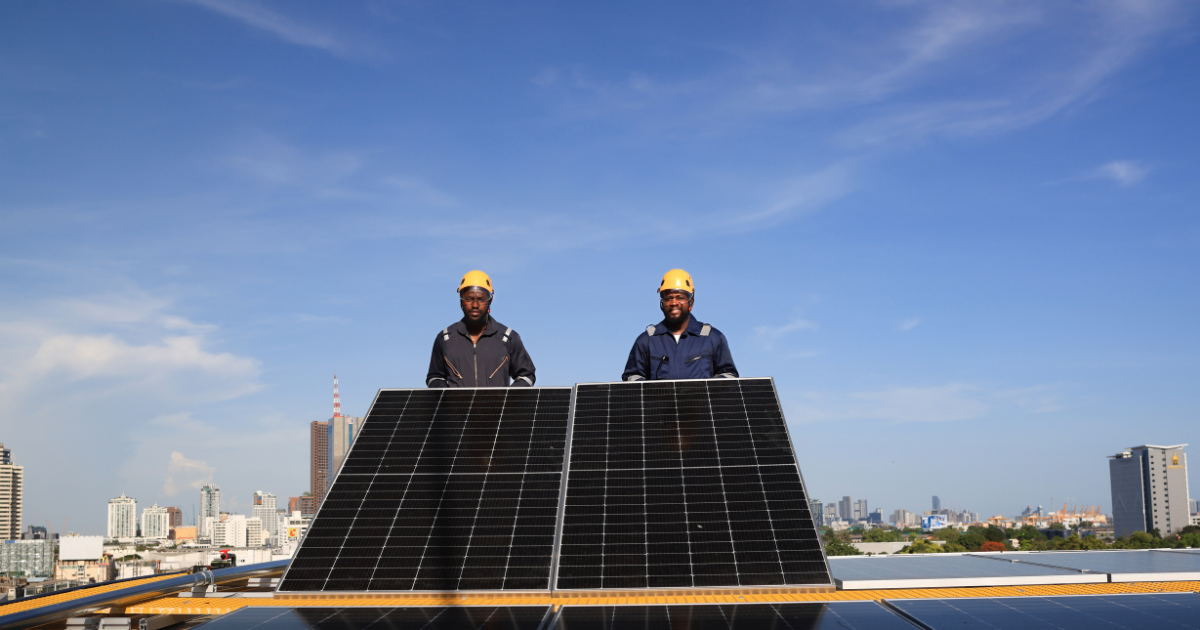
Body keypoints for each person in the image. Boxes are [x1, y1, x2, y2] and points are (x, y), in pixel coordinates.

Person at [621, 269, 738, 381]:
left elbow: (728, 376)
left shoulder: (712, 338)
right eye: (668, 298)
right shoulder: (646, 340)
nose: (674, 302)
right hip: (659, 402)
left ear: (690, 302)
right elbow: (632, 378)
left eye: (680, 297)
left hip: (700, 402)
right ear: (662, 302)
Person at [426, 270, 536, 388]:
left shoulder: (508, 338)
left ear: (490, 300)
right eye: (469, 299)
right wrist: (450, 400)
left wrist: (507, 399)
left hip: (497, 406)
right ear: (461, 300)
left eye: (481, 299)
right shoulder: (445, 339)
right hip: (458, 407)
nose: (475, 305)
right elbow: (435, 377)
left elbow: (526, 375)